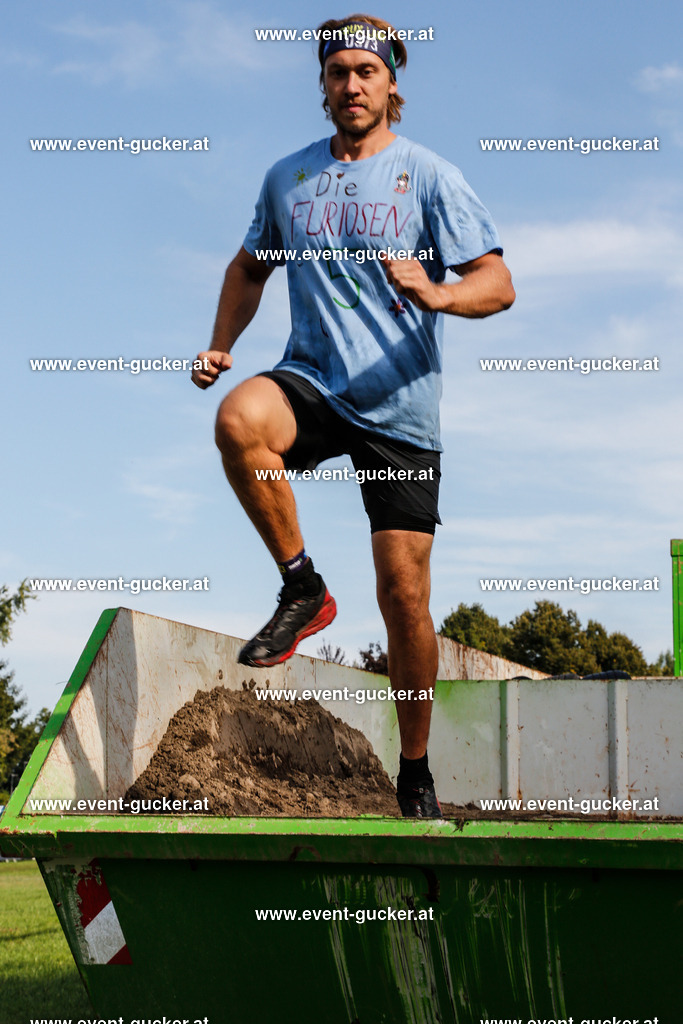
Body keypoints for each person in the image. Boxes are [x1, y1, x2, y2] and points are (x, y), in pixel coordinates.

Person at [192, 14, 515, 817]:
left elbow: (496, 282)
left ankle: (415, 769)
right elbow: (248, 266)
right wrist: (221, 345)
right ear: (323, 86)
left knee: (402, 596)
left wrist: (436, 291)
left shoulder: (428, 176)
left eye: (366, 72)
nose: (351, 85)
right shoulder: (288, 178)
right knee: (238, 421)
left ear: (391, 85)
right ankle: (302, 587)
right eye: (337, 72)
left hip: (399, 406)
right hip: (313, 381)